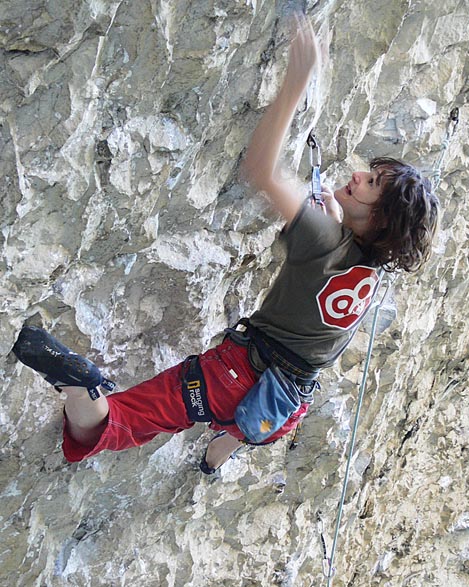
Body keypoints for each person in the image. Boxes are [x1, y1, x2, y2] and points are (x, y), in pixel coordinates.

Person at [12, 17, 439, 474]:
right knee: (243, 428)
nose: (357, 175)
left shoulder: (322, 238)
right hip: (285, 400)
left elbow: (262, 170)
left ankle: (82, 391)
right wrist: (338, 213)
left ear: (377, 219)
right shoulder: (371, 272)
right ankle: (213, 464)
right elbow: (333, 257)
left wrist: (296, 83)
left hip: (233, 376)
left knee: (118, 424)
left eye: (370, 183)